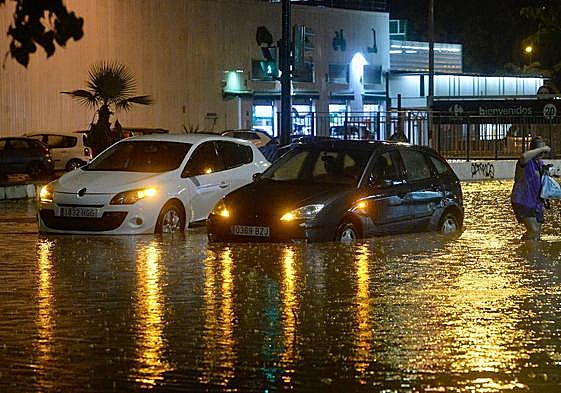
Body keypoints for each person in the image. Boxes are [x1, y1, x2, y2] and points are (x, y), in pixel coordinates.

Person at [511, 136, 551, 241]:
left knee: (536, 232)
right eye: (540, 151)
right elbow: (523, 157)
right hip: (523, 200)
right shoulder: (525, 162)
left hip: (536, 202)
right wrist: (542, 149)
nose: (542, 154)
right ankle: (526, 252)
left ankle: (526, 250)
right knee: (533, 230)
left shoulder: (539, 164)